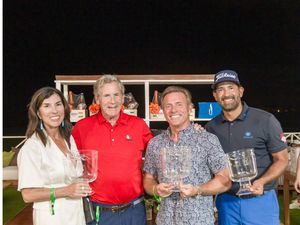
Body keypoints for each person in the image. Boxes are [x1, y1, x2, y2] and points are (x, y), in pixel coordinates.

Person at [205, 70, 289, 225]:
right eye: (220, 89)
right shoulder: (211, 127)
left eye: (231, 87)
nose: (226, 93)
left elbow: (282, 159)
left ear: (240, 91)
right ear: (215, 96)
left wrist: (262, 181)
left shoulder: (265, 120)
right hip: (226, 201)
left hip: (260, 200)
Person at [143, 86, 232, 225]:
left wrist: (198, 190)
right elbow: (148, 179)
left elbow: (225, 180)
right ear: (163, 110)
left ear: (190, 108)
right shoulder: (155, 144)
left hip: (199, 221)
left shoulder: (207, 140)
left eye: (179, 104)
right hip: (165, 220)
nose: (173, 110)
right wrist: (155, 189)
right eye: (168, 106)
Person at [72, 75, 153, 225]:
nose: (112, 101)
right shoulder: (82, 128)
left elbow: (158, 152)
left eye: (116, 95)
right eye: (106, 95)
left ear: (123, 98)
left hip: (134, 211)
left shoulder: (138, 125)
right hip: (99, 212)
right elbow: (69, 161)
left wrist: (190, 129)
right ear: (97, 99)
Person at [17, 87, 91, 225]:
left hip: (76, 214)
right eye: (46, 106)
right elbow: (27, 195)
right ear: (38, 113)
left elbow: (76, 175)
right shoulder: (32, 147)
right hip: (52, 217)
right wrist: (66, 191)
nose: (54, 111)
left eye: (58, 104)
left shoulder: (69, 139)